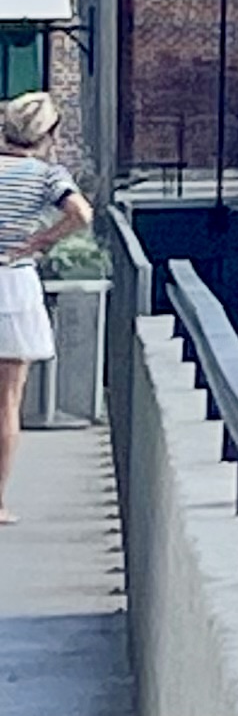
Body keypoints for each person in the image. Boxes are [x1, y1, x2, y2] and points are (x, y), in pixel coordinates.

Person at [0, 92, 90, 525]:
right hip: (13, 282)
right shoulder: (47, 175)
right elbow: (81, 214)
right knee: (8, 401)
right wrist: (40, 241)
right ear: (49, 134)